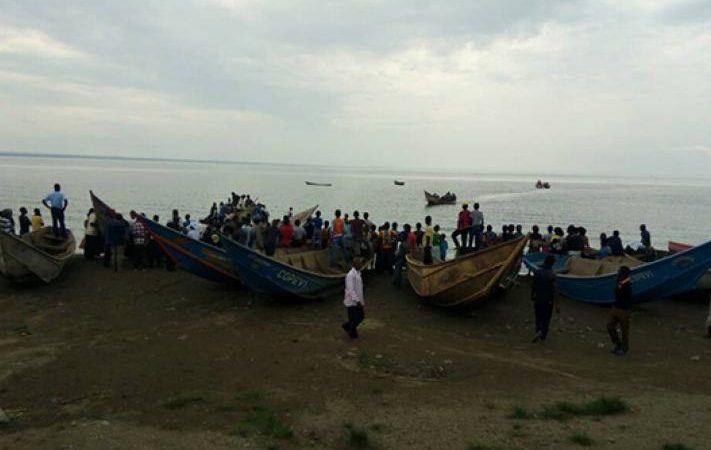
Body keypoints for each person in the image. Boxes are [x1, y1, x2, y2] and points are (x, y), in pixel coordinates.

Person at [531, 255, 558, 343]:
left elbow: (534, 285)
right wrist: (557, 305)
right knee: (546, 318)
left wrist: (532, 295)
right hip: (548, 300)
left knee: (538, 316)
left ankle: (538, 330)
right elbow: (554, 291)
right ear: (552, 263)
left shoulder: (537, 272)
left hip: (538, 298)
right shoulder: (552, 275)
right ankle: (543, 335)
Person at [608, 266, 632, 355]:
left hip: (624, 310)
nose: (617, 273)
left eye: (619, 272)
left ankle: (624, 348)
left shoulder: (626, 284)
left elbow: (625, 296)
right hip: (616, 307)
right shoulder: (620, 282)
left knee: (624, 331)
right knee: (610, 326)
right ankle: (618, 344)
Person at [342, 257, 365, 339]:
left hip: (357, 299)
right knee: (359, 316)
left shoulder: (358, 273)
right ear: (354, 264)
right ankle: (350, 329)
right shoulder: (350, 275)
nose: (361, 265)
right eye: (359, 263)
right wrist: (357, 301)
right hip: (352, 300)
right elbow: (350, 289)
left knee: (357, 317)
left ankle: (350, 328)